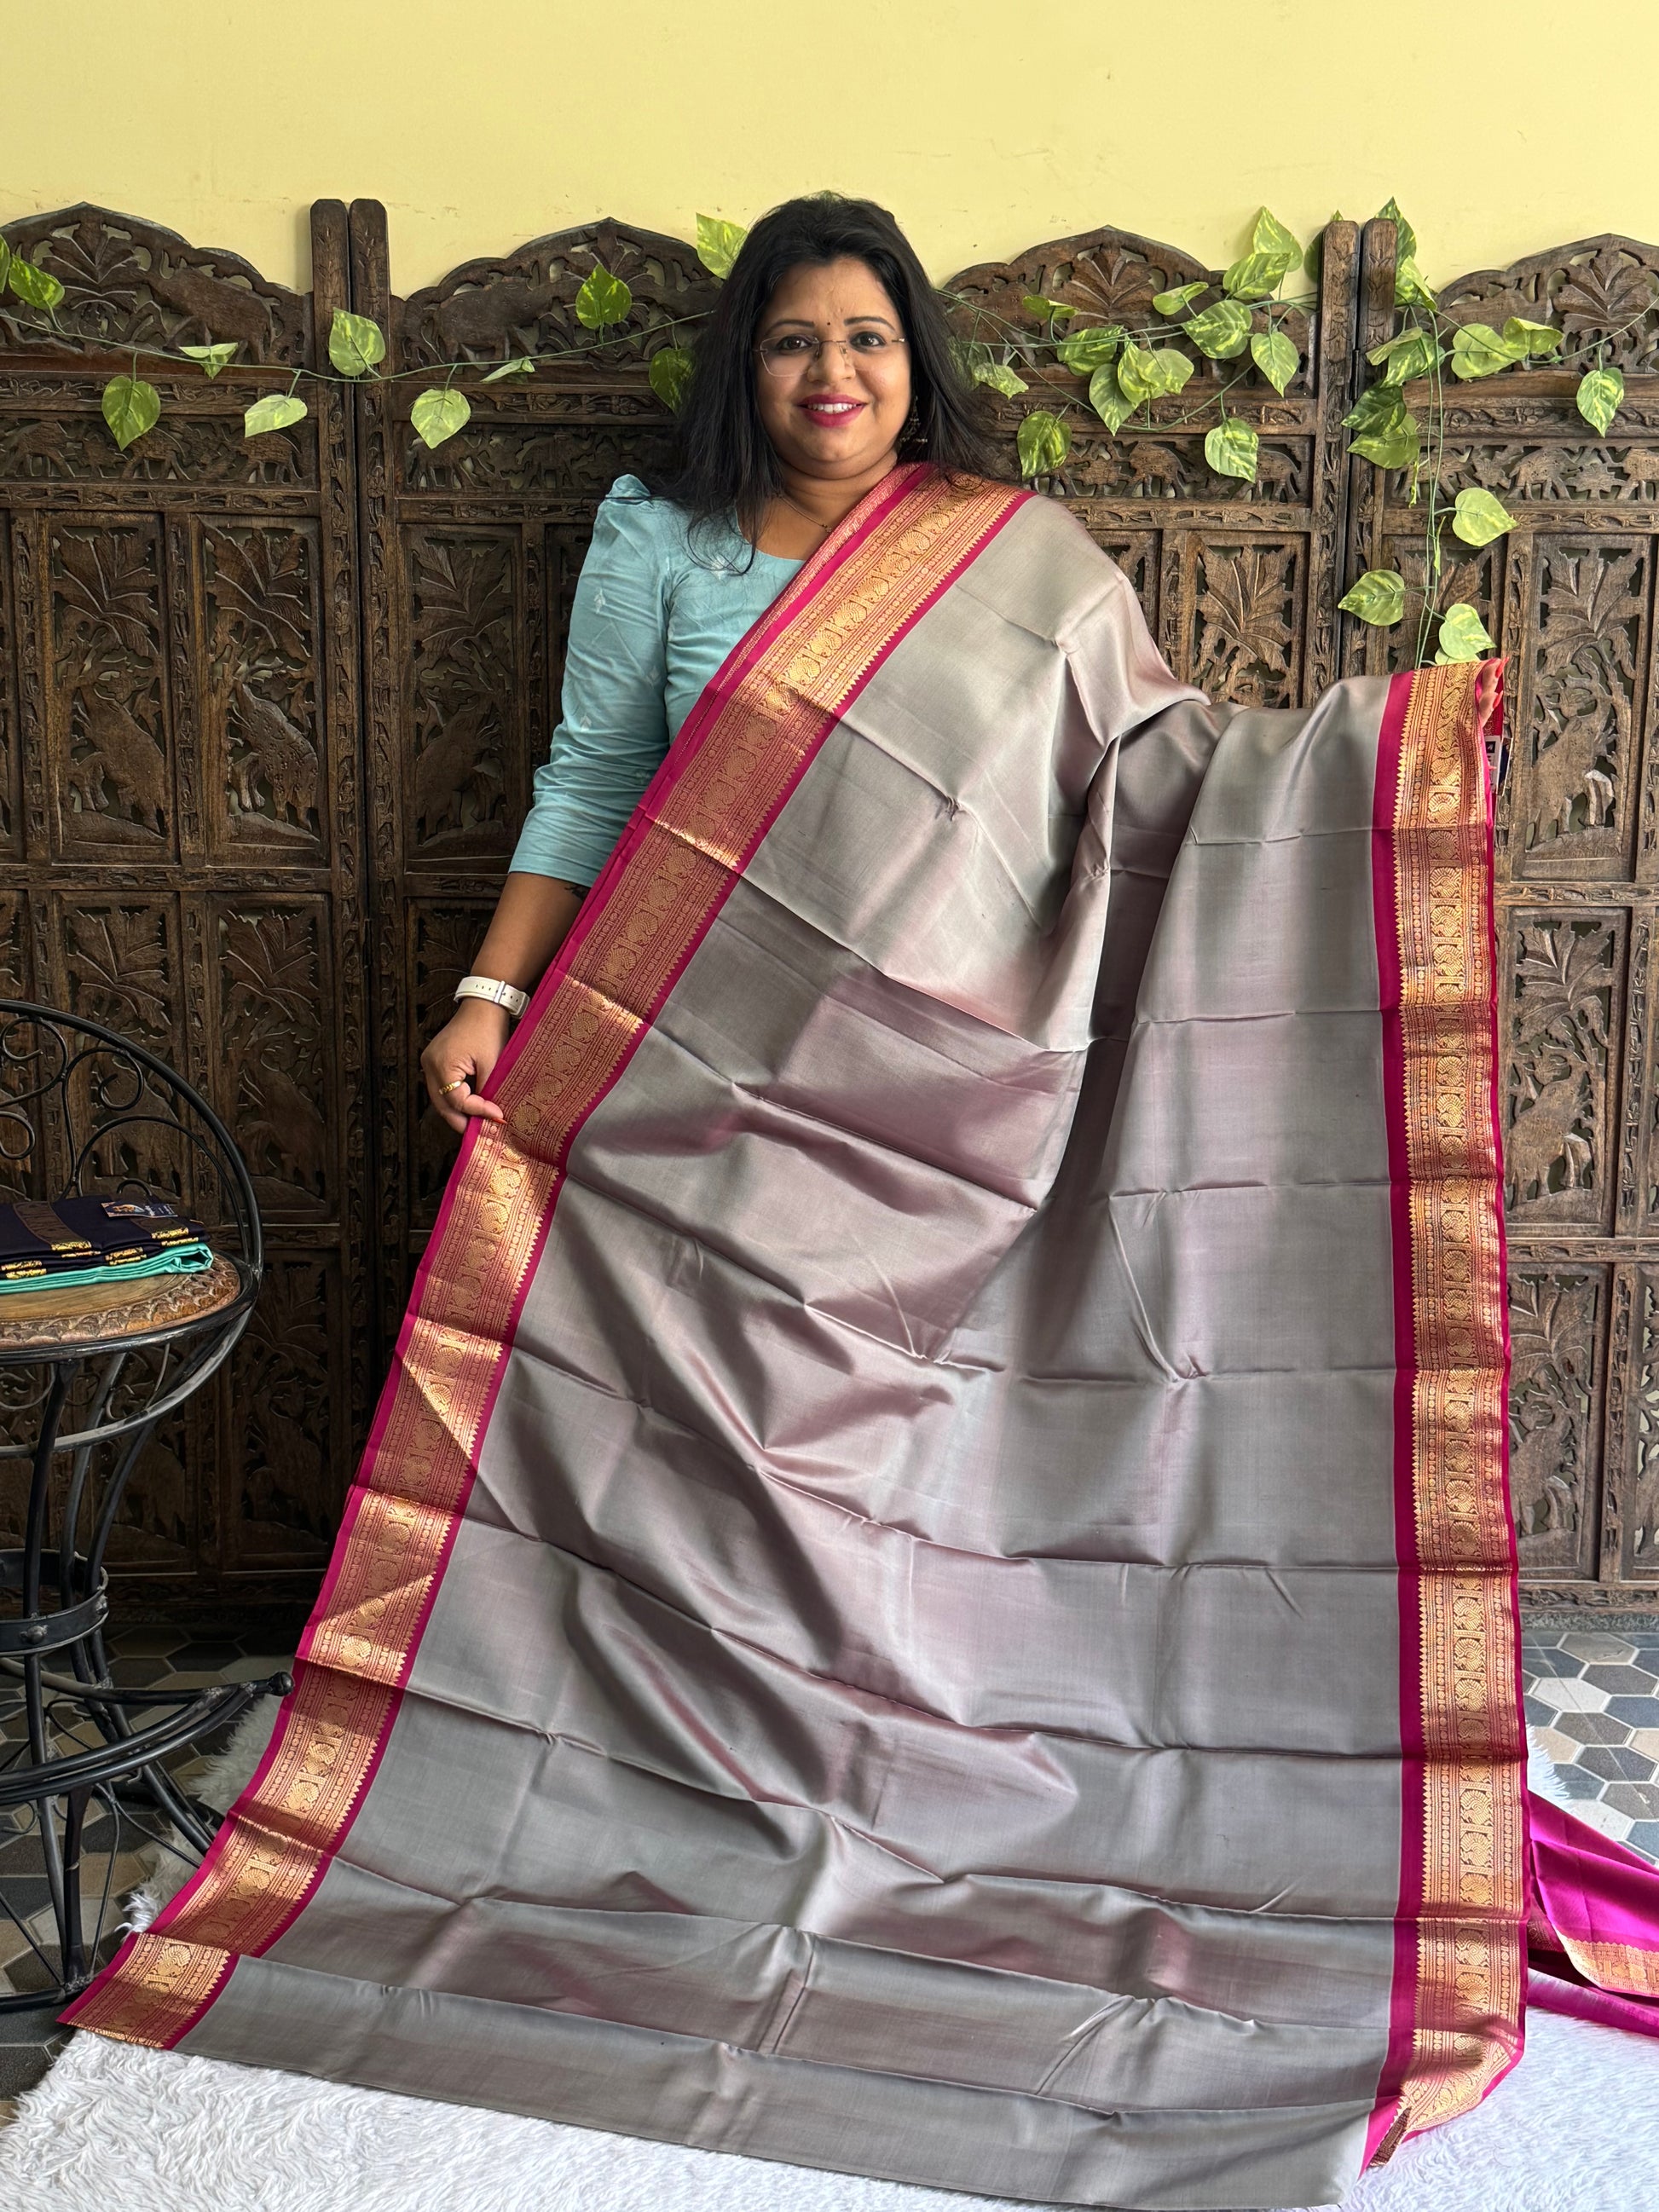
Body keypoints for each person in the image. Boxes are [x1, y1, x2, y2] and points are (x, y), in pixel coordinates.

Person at [68, 196, 1659, 2211]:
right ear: (747, 365)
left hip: (937, 1110)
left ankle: (871, 1758)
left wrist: (1377, 757)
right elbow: (592, 775)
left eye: (868, 338)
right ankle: (682, 1777)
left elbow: (1153, 781)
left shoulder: (1014, 559)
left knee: (884, 1458)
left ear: (916, 364)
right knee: (669, 1464)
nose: (833, 373)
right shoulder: (662, 539)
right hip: (686, 1076)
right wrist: (490, 992)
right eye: (795, 340)